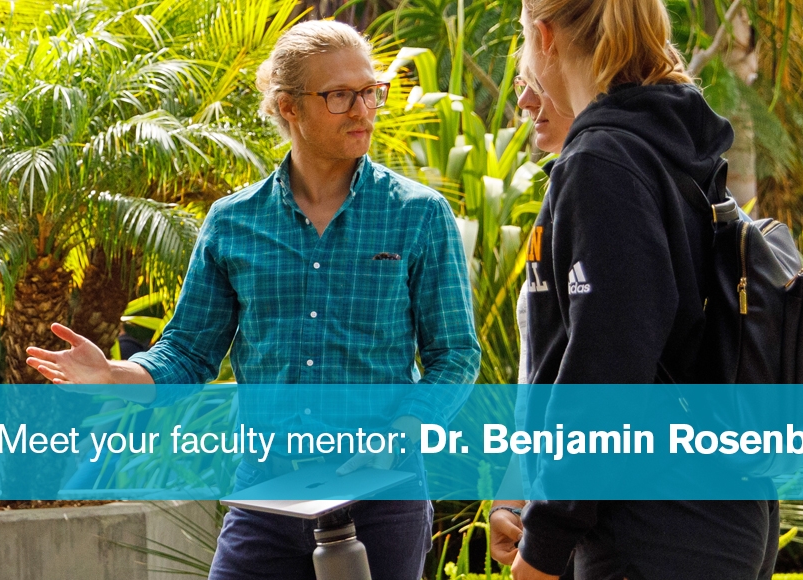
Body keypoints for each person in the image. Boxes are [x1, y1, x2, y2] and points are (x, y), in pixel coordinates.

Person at [25, 20, 480, 580]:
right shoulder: (233, 222)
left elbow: (455, 354)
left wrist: (404, 431)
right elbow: (189, 352)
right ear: (289, 107)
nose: (363, 110)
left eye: (370, 91)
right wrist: (116, 374)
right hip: (266, 497)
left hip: (382, 499)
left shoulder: (418, 214)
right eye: (340, 95)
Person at [510, 1, 779, 579]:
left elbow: (607, 369)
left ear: (545, 36)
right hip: (709, 509)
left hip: (653, 523)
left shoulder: (605, 161)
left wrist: (545, 544)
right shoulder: (662, 144)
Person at [488, 70, 575, 576]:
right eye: (522, 81)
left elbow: (605, 377)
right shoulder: (563, 192)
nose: (523, 99)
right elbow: (543, 377)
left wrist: (549, 538)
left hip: (633, 527)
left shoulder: (618, 185)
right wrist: (515, 495)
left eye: (537, 80)